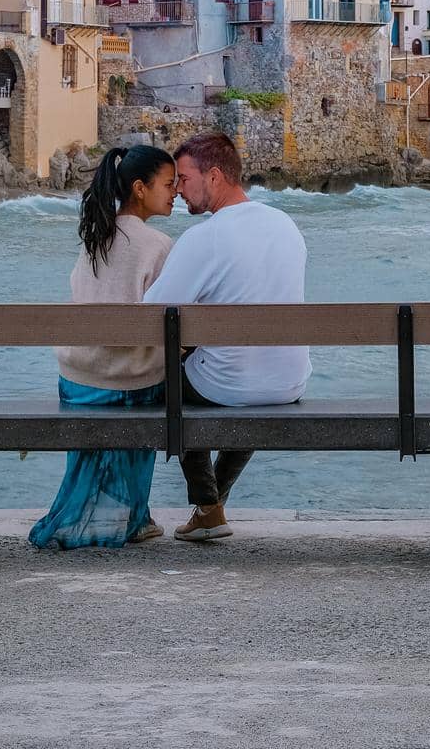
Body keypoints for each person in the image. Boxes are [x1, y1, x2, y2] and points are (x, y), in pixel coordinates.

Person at [143, 132, 309, 542]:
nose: (179, 190)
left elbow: (152, 312)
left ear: (214, 176)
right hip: (289, 382)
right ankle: (210, 507)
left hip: (230, 384)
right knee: (242, 367)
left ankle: (208, 504)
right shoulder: (285, 224)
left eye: (183, 178)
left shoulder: (205, 236)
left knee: (169, 378)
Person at [29, 145, 176, 550]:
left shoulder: (95, 236)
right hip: (131, 381)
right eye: (168, 183)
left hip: (78, 377)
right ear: (140, 188)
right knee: (161, 376)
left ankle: (105, 514)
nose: (176, 191)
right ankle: (135, 517)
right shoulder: (159, 244)